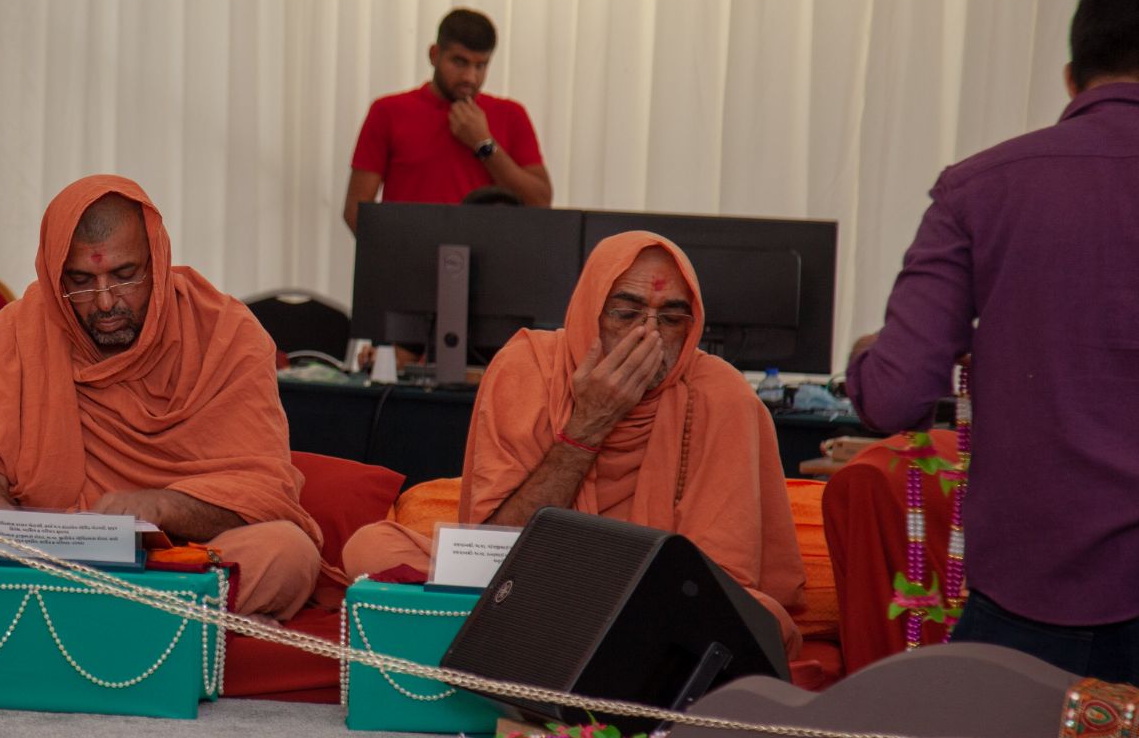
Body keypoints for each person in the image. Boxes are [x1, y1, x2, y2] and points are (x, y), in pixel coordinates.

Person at [845, 0, 1139, 686]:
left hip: (1035, 601)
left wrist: (865, 358)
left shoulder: (979, 187)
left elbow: (895, 397)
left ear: (1070, 76)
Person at [342, 231, 806, 662]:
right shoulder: (528, 366)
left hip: (651, 599)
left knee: (761, 618)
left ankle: (573, 634)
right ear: (589, 314)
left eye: (671, 318)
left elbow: (719, 581)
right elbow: (494, 546)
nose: (649, 335)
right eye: (626, 314)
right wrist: (587, 425)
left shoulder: (721, 394)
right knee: (372, 548)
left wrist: (613, 588)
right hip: (534, 581)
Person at [0, 176, 327, 619]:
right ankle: (161, 619)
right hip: (48, 557)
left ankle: (81, 614)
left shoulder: (227, 333)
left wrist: (160, 505)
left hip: (182, 558)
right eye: (82, 282)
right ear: (54, 277)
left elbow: (260, 492)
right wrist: (17, 533)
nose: (105, 303)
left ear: (157, 262)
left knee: (285, 552)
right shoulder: (15, 333)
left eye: (125, 276)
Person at [344, 8, 551, 233]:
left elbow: (539, 201)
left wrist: (484, 144)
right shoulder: (388, 111)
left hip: (489, 263)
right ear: (434, 54)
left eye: (480, 65)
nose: (470, 77)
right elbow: (356, 210)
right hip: (410, 262)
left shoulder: (512, 115)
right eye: (459, 62)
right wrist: (398, 257)